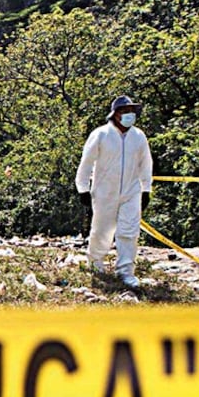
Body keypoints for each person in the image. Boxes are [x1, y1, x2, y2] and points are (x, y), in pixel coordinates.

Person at [75, 95, 153, 289]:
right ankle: (95, 264)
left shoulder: (139, 136)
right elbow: (86, 163)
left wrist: (146, 189)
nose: (129, 115)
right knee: (102, 231)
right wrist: (83, 188)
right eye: (125, 112)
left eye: (132, 112)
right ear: (116, 114)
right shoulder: (101, 134)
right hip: (104, 191)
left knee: (129, 231)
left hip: (131, 191)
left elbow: (146, 164)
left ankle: (126, 272)